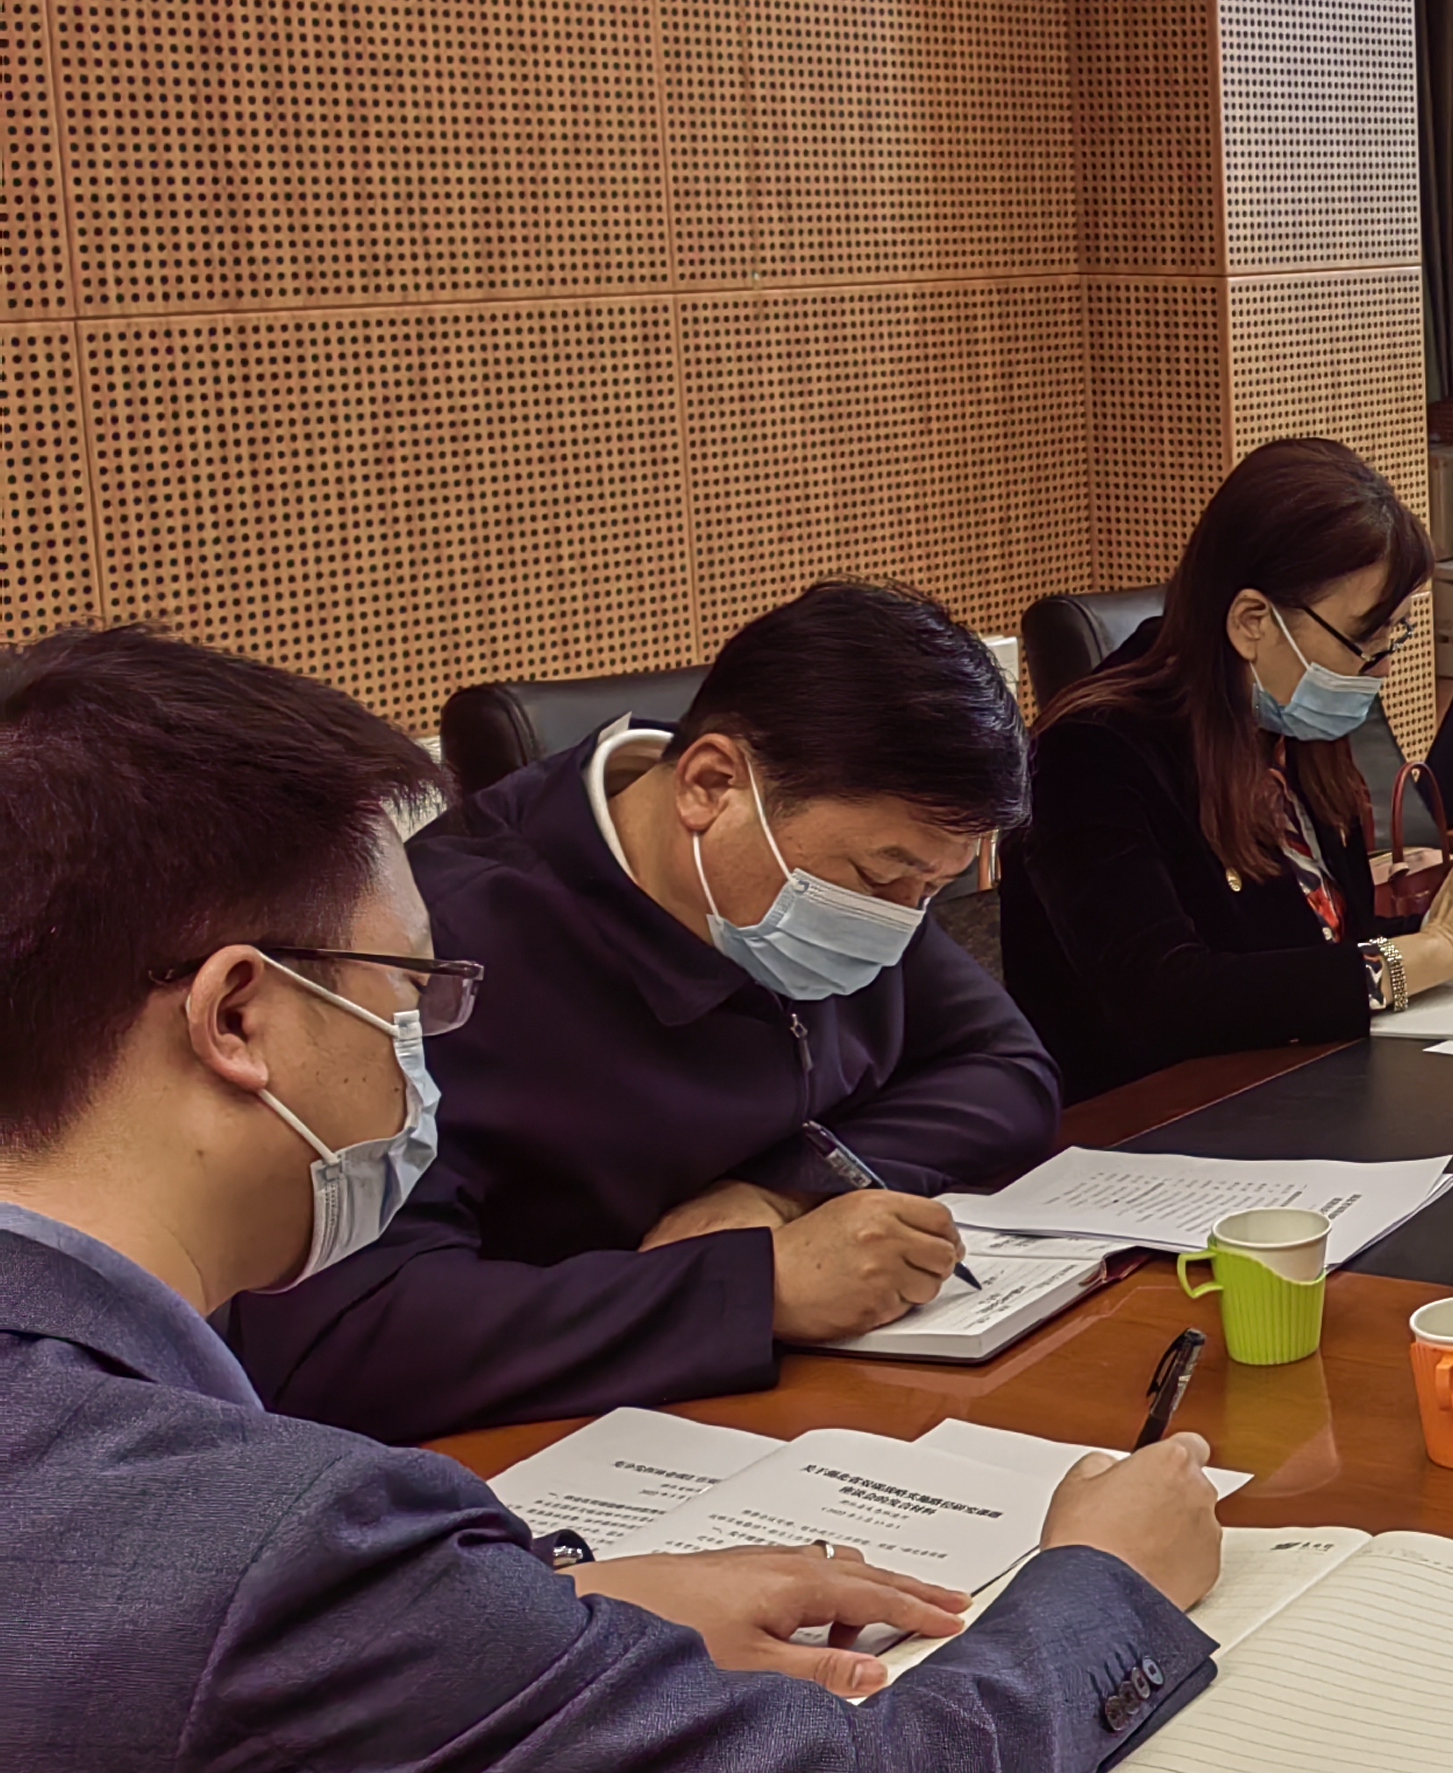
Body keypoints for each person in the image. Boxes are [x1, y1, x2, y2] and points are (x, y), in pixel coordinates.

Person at [0, 624, 1228, 1773]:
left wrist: (552, 1604)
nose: (429, 1048)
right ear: (239, 1016)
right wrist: (1108, 1584)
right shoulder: (277, 1554)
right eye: (412, 993)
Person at [227, 582, 1071, 1444]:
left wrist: (780, 1188)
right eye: (879, 878)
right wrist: (757, 1287)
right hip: (554, 1446)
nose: (897, 922)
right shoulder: (437, 955)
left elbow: (1007, 1071)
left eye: (931, 888)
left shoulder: (839, 885)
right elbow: (348, 1336)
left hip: (795, 1398)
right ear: (710, 785)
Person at [1004, 438, 1453, 1101]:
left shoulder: (1288, 721)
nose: (1383, 668)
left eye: (1395, 634)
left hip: (1319, 1082)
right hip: (1163, 1114)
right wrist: (1435, 950)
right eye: (1366, 638)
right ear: (1252, 622)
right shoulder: (1090, 752)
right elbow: (1166, 1000)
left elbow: (1321, 947)